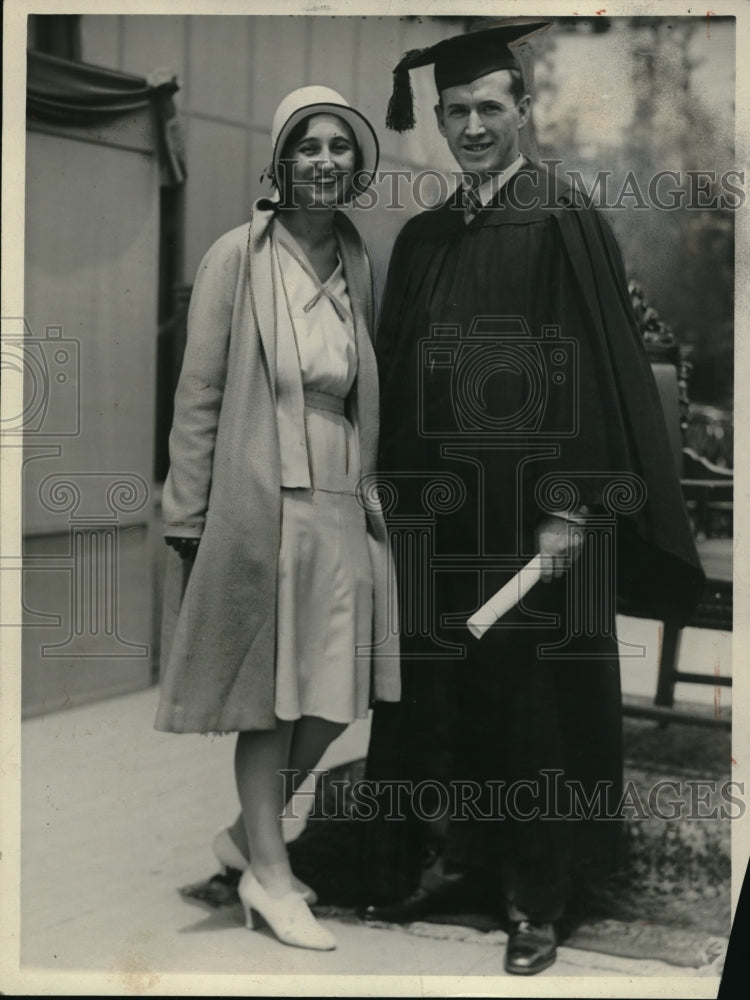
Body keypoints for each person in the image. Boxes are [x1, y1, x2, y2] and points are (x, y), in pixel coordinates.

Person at [360, 20, 704, 975]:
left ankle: (538, 897)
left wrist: (577, 505)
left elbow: (603, 369)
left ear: (523, 111)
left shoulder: (565, 215)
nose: (472, 126)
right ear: (436, 118)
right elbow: (396, 368)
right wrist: (389, 485)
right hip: (440, 508)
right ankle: (458, 856)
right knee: (442, 693)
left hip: (538, 515)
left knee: (538, 704)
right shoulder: (426, 234)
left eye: (489, 109)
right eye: (457, 112)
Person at [155, 85, 399, 952]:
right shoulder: (238, 255)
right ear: (281, 161)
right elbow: (200, 395)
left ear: (355, 163)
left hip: (344, 501)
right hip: (265, 503)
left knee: (340, 690)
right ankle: (268, 870)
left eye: (340, 146)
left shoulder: (359, 259)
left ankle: (245, 835)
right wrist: (187, 517)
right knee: (271, 699)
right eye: (308, 146)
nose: (326, 160)